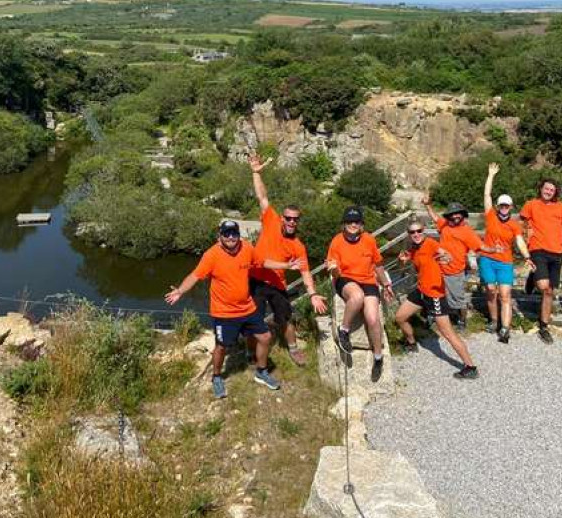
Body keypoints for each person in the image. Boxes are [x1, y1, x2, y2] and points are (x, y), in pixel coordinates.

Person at [165, 220, 300, 398]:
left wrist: (286, 265)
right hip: (224, 313)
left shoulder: (247, 248)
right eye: (226, 234)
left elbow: (263, 262)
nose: (230, 237)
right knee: (222, 346)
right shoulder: (211, 255)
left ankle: (261, 371)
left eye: (233, 233)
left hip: (247, 307)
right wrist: (181, 291)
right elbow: (195, 275)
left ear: (238, 235)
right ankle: (217, 376)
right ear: (219, 236)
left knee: (266, 337)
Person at [248, 154, 328, 366]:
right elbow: (262, 197)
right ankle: (253, 353)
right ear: (282, 218)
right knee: (253, 319)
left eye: (296, 219)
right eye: (289, 218)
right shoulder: (271, 220)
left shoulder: (298, 246)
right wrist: (256, 173)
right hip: (255, 280)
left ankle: (293, 349)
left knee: (285, 318)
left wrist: (312, 294)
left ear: (298, 221)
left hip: (277, 284)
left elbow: (305, 272)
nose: (292, 222)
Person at [394, 221, 479, 379]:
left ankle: (470, 366)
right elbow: (402, 266)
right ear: (409, 234)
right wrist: (401, 261)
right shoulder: (413, 249)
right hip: (421, 291)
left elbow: (444, 255)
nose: (416, 234)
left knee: (447, 333)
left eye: (419, 231)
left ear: (424, 231)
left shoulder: (431, 243)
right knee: (400, 317)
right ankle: (411, 343)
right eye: (413, 232)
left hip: (435, 295)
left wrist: (446, 257)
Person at [326, 206, 395, 382]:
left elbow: (378, 264)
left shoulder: (369, 240)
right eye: (349, 221)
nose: (353, 224)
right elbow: (335, 271)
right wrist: (333, 271)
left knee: (372, 318)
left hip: (368, 281)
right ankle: (344, 330)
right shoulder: (337, 241)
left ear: (362, 224)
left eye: (356, 221)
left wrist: (386, 284)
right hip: (346, 279)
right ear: (344, 224)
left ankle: (378, 357)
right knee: (357, 297)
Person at [421, 194, 503, 331]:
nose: (455, 216)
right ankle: (433, 315)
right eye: (453, 214)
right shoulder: (445, 225)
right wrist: (427, 205)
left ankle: (462, 320)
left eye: (458, 213)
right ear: (449, 216)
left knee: (458, 299)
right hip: (438, 268)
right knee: (433, 293)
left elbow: (481, 246)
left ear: (462, 214)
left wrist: (494, 249)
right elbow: (435, 217)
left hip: (455, 271)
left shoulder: (467, 231)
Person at [480, 162, 535, 344]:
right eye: (501, 205)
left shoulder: (514, 224)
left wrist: (527, 257)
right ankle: (494, 320)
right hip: (488, 259)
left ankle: (505, 328)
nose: (504, 208)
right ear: (497, 206)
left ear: (511, 207)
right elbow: (487, 194)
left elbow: (519, 241)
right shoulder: (490, 216)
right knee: (490, 290)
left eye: (507, 206)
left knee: (504, 294)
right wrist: (491, 175)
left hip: (505, 262)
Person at [520, 179, 562, 344]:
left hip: (557, 252)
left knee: (549, 292)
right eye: (546, 188)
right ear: (541, 189)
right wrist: (523, 241)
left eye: (552, 190)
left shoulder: (561, 207)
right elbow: (523, 224)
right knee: (543, 286)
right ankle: (535, 279)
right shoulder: (531, 204)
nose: (548, 191)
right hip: (538, 249)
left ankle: (544, 326)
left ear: (555, 192)